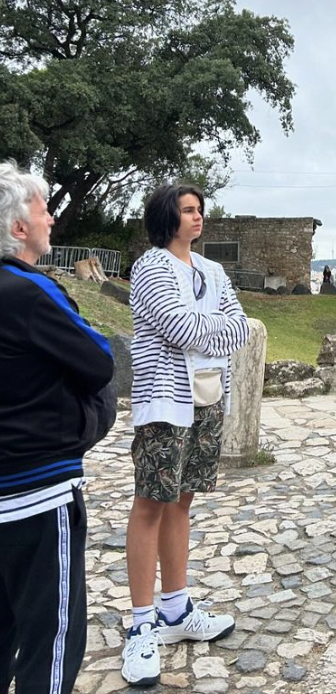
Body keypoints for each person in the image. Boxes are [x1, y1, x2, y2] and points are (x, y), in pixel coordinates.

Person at [121, 184, 250, 687]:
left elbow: (239, 327)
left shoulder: (213, 271)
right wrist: (211, 324)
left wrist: (208, 325)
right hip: (165, 401)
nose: (199, 218)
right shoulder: (151, 267)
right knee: (151, 501)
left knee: (183, 500)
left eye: (200, 210)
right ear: (167, 217)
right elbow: (178, 329)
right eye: (189, 210)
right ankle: (140, 624)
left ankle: (175, 610)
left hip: (208, 397)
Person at [0, 160, 115, 694]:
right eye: (43, 209)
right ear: (18, 227)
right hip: (38, 493)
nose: (51, 220)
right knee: (51, 639)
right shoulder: (28, 292)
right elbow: (98, 360)